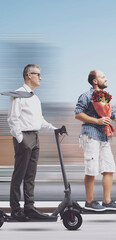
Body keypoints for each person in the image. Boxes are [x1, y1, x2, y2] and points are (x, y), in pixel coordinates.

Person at [7, 64, 57, 220]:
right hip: (24, 137)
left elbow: (39, 121)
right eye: (38, 74)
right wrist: (21, 139)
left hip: (35, 137)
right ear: (29, 75)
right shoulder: (19, 94)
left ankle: (29, 208)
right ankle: (15, 210)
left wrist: (55, 129)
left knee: (30, 175)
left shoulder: (35, 98)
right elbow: (12, 119)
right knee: (19, 175)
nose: (40, 77)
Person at [74, 70, 116, 211]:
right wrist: (97, 121)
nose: (106, 79)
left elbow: (114, 115)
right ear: (95, 81)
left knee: (109, 168)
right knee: (91, 169)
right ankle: (89, 201)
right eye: (103, 77)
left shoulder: (106, 98)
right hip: (91, 135)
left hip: (104, 136)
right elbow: (78, 114)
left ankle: (107, 201)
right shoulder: (86, 96)